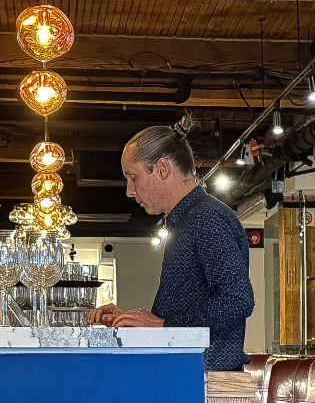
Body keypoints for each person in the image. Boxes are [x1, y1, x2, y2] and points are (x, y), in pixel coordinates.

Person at [90, 124, 255, 371]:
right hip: (190, 374)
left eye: (133, 178)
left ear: (163, 169)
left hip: (204, 381)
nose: (129, 191)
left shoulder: (206, 218)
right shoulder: (188, 220)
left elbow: (237, 300)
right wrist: (133, 321)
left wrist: (165, 325)